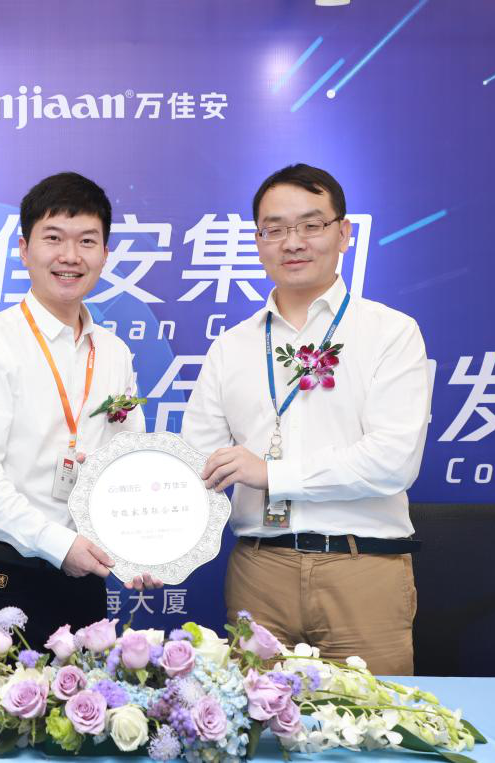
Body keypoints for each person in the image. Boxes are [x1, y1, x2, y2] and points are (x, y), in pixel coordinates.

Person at [182, 164, 430, 675]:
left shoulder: (391, 332)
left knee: (373, 721)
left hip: (363, 570)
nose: (292, 242)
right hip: (259, 571)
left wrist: (271, 473)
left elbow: (394, 461)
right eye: (274, 229)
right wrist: (153, 550)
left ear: (344, 233)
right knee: (251, 721)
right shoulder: (231, 347)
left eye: (311, 225)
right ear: (258, 242)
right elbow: (195, 465)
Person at [0, 171, 157, 658]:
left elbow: (128, 463)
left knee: (88, 708)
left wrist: (141, 544)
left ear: (105, 254)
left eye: (87, 241)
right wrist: (58, 545)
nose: (70, 256)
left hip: (85, 582)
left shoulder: (114, 352)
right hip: (3, 579)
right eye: (54, 238)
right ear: (24, 249)